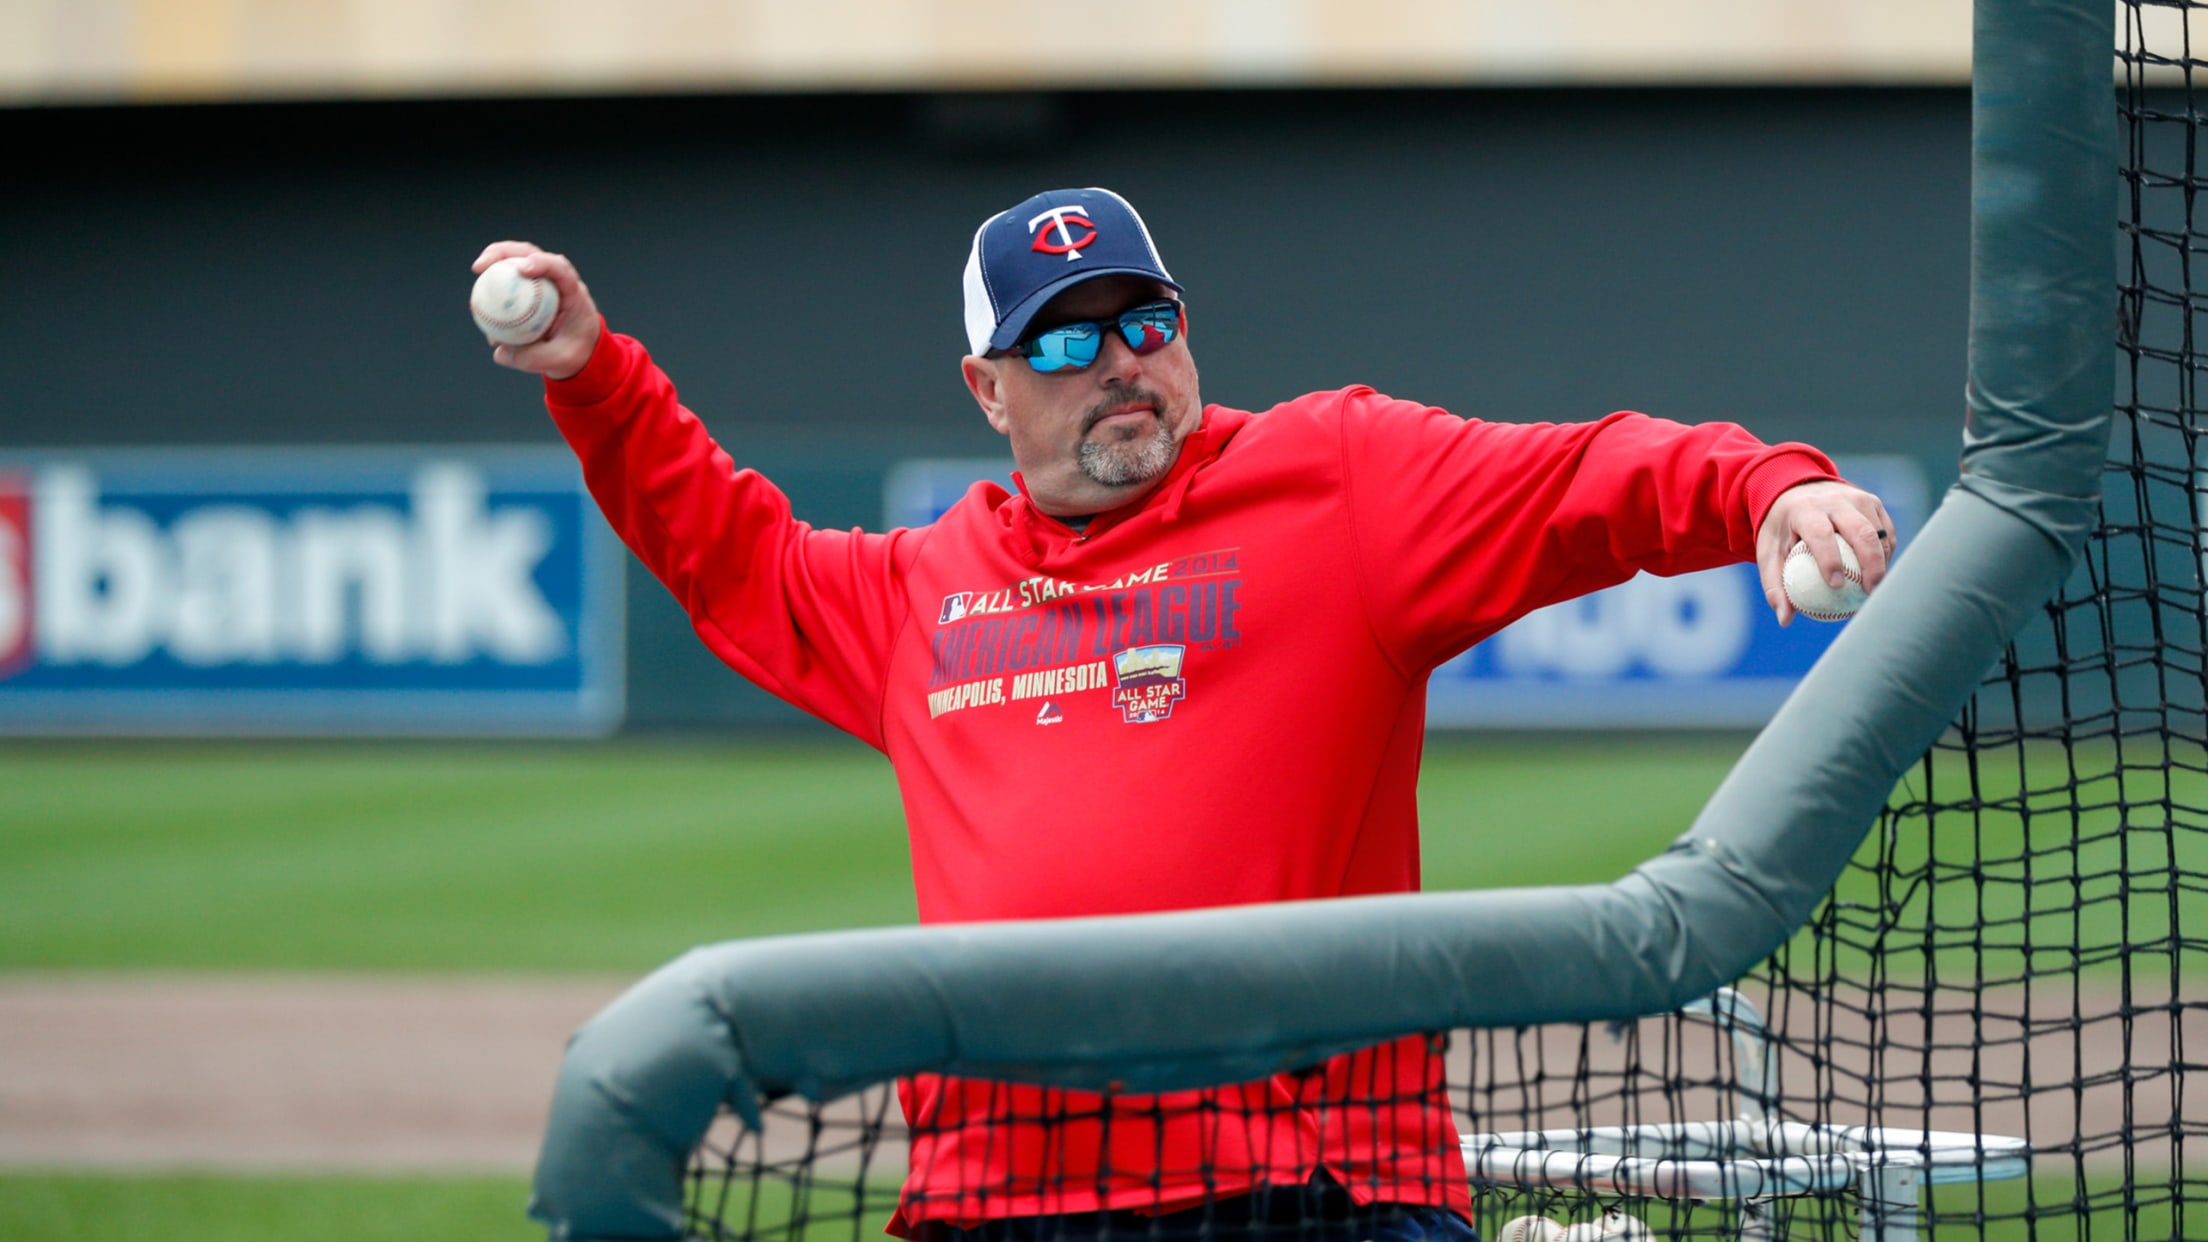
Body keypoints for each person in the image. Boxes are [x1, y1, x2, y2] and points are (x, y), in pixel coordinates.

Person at [475, 186, 1894, 1242]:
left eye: (1140, 321)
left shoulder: (1335, 479)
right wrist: (594, 377)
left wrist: (1768, 486)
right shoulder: (924, 588)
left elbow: (1586, 478)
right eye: (1061, 343)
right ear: (986, 389)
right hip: (998, 1203)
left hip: (1314, 1190)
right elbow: (734, 556)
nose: (1117, 361)